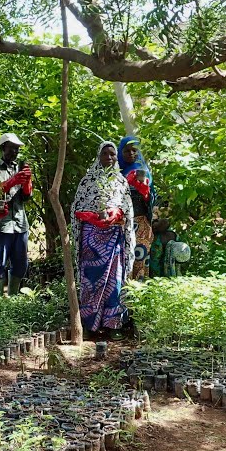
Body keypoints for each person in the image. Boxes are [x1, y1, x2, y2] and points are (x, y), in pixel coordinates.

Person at [70, 141, 135, 338]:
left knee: (113, 281)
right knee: (91, 280)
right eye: (105, 154)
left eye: (112, 154)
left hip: (113, 238)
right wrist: (91, 217)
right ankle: (90, 325)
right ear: (98, 156)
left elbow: (128, 210)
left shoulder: (121, 182)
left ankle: (112, 325)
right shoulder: (88, 181)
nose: (109, 157)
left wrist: (116, 214)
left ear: (117, 158)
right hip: (91, 239)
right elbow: (76, 209)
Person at [0, 133, 33, 297]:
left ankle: (12, 297)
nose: (15, 152)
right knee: (0, 263)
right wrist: (13, 181)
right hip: (1, 224)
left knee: (21, 264)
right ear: (3, 148)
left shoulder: (19, 167)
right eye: (12, 148)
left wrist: (27, 182)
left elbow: (25, 198)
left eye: (17, 149)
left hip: (20, 223)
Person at [118, 136, 159, 280]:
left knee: (140, 260)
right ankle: (121, 298)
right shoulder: (115, 173)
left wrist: (143, 189)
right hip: (121, 225)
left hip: (141, 225)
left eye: (134, 150)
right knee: (121, 262)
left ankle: (138, 297)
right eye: (126, 151)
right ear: (120, 152)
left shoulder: (144, 172)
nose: (131, 153)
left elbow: (152, 201)